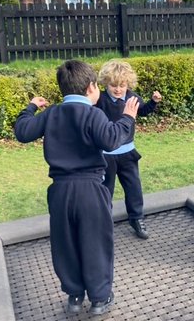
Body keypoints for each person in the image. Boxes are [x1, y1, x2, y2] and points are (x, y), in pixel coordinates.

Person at [14, 60, 140, 318]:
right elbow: (112, 139)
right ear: (92, 87)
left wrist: (30, 108)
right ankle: (99, 298)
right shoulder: (93, 114)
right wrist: (128, 117)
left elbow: (23, 132)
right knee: (95, 243)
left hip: (60, 191)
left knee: (66, 243)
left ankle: (74, 295)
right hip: (90, 189)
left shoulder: (52, 114)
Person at [95, 59, 162, 239]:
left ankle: (137, 218)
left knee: (133, 187)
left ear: (128, 84)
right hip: (106, 155)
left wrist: (153, 102)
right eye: (113, 85)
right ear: (106, 84)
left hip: (128, 153)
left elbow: (144, 110)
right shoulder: (99, 100)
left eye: (122, 85)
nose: (118, 89)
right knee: (105, 190)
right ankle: (103, 222)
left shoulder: (132, 98)